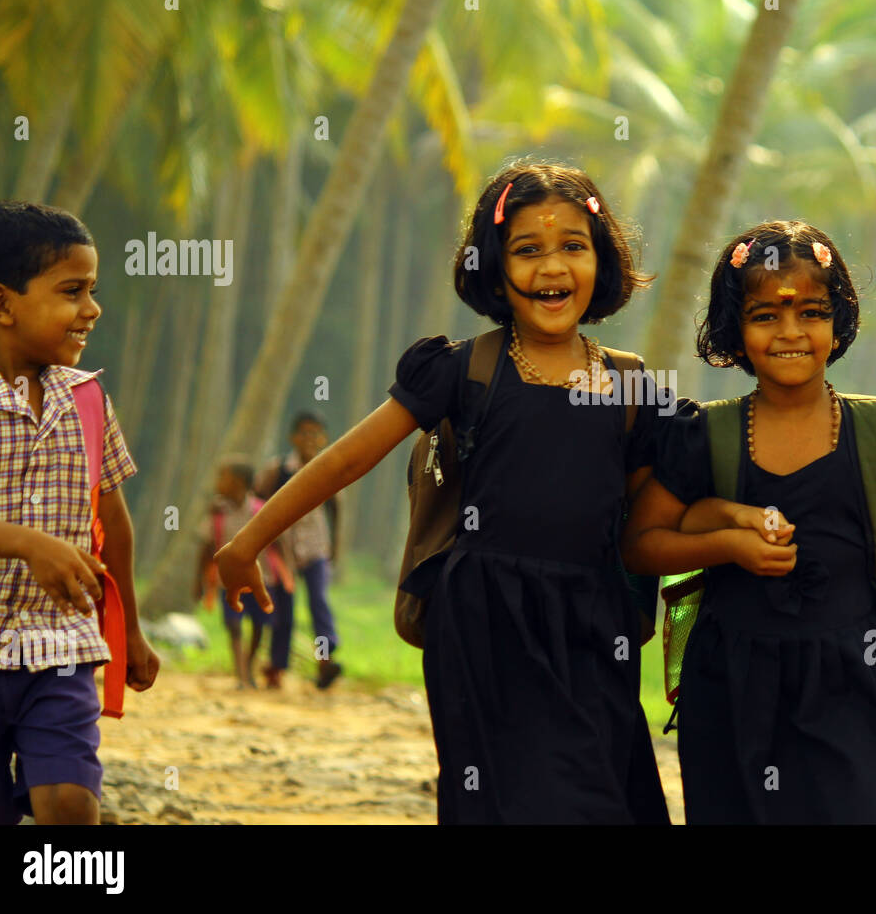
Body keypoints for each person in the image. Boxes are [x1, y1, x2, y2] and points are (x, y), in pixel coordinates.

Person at [215, 161, 670, 824]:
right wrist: (246, 542)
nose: (552, 268)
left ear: (602, 260)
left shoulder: (632, 388)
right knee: (489, 800)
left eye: (573, 245)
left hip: (593, 626)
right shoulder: (463, 371)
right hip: (481, 620)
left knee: (600, 793)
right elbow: (347, 459)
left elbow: (648, 523)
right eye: (527, 250)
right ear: (492, 266)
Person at [622, 220, 876, 823]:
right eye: (766, 315)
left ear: (838, 320)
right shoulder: (701, 437)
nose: (790, 332)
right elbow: (641, 545)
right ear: (734, 329)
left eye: (811, 312)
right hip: (733, 685)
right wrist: (728, 546)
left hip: (860, 678)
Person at [0, 199, 159, 825]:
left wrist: (128, 628)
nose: (93, 309)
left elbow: (117, 524)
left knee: (71, 802)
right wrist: (29, 543)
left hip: (61, 645)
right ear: (0, 304)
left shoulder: (87, 399)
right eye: (72, 291)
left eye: (93, 290)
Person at [255, 412, 341, 690]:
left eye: (315, 433)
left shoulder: (328, 466)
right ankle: (277, 667)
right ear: (292, 437)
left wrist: (335, 548)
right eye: (303, 433)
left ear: (323, 438)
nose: (309, 439)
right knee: (284, 610)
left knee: (319, 602)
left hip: (316, 548)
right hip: (282, 551)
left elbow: (336, 508)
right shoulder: (278, 469)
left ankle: (325, 661)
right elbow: (257, 501)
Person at [195, 457, 290, 689]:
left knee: (260, 624)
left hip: (263, 578)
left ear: (239, 482)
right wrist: (199, 580)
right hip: (228, 581)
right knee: (233, 624)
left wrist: (287, 574)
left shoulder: (260, 509)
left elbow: (279, 540)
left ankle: (248, 666)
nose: (218, 483)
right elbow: (206, 546)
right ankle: (241, 675)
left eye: (223, 478)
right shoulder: (217, 512)